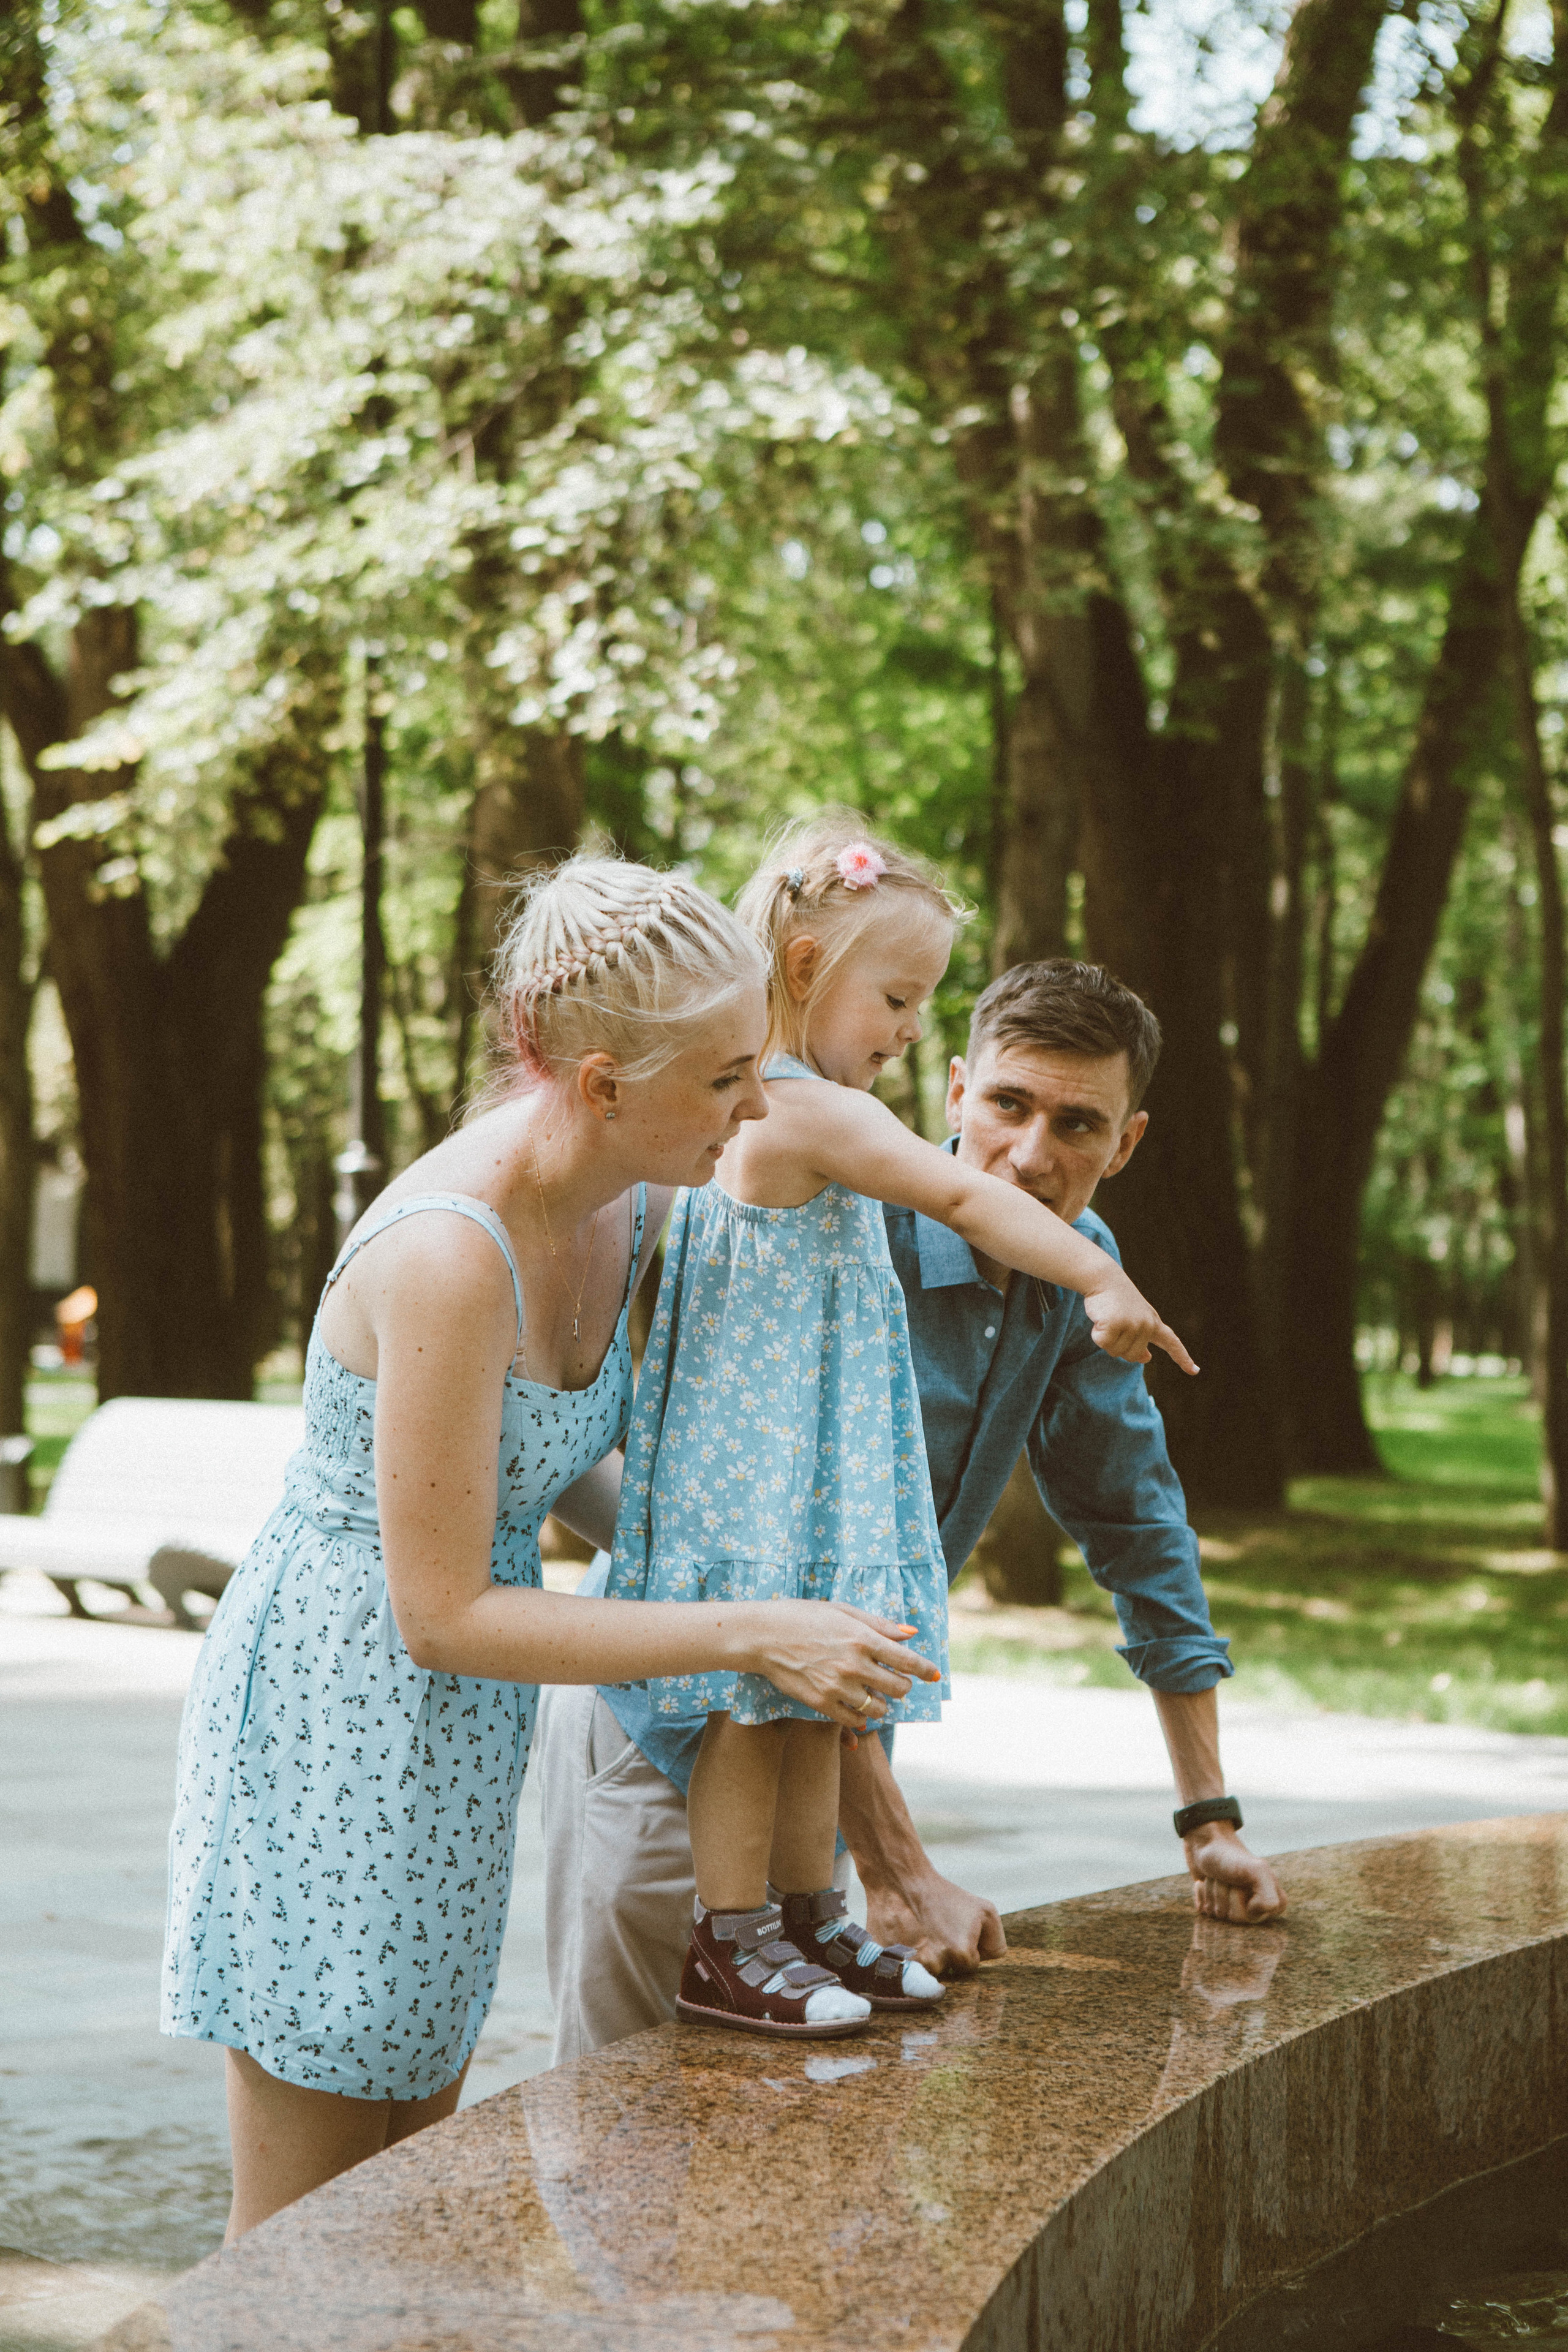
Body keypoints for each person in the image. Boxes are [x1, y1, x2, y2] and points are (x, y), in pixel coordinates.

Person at [160, 854, 937, 2239]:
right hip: (338, 1721)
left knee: (407, 2181)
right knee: (302, 2236)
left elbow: (549, 1463)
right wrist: (744, 1625)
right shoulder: (452, 1257)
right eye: (722, 1079)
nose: (759, 1106)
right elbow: (444, 1608)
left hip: (459, 1742)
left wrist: (739, 1552)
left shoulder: (623, 1206)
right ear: (599, 1086)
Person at [538, 944, 1286, 2065]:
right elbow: (589, 1465)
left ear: (1126, 1144)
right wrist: (895, 1868)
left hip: (811, 1758)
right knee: (623, 2130)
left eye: (1077, 1126)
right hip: (666, 1721)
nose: (1031, 1156)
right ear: (951, 1094)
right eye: (1007, 1106)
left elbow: (1138, 1527)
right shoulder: (833, 1212)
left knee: (785, 2137)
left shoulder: (1079, 1265)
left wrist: (1209, 1820)